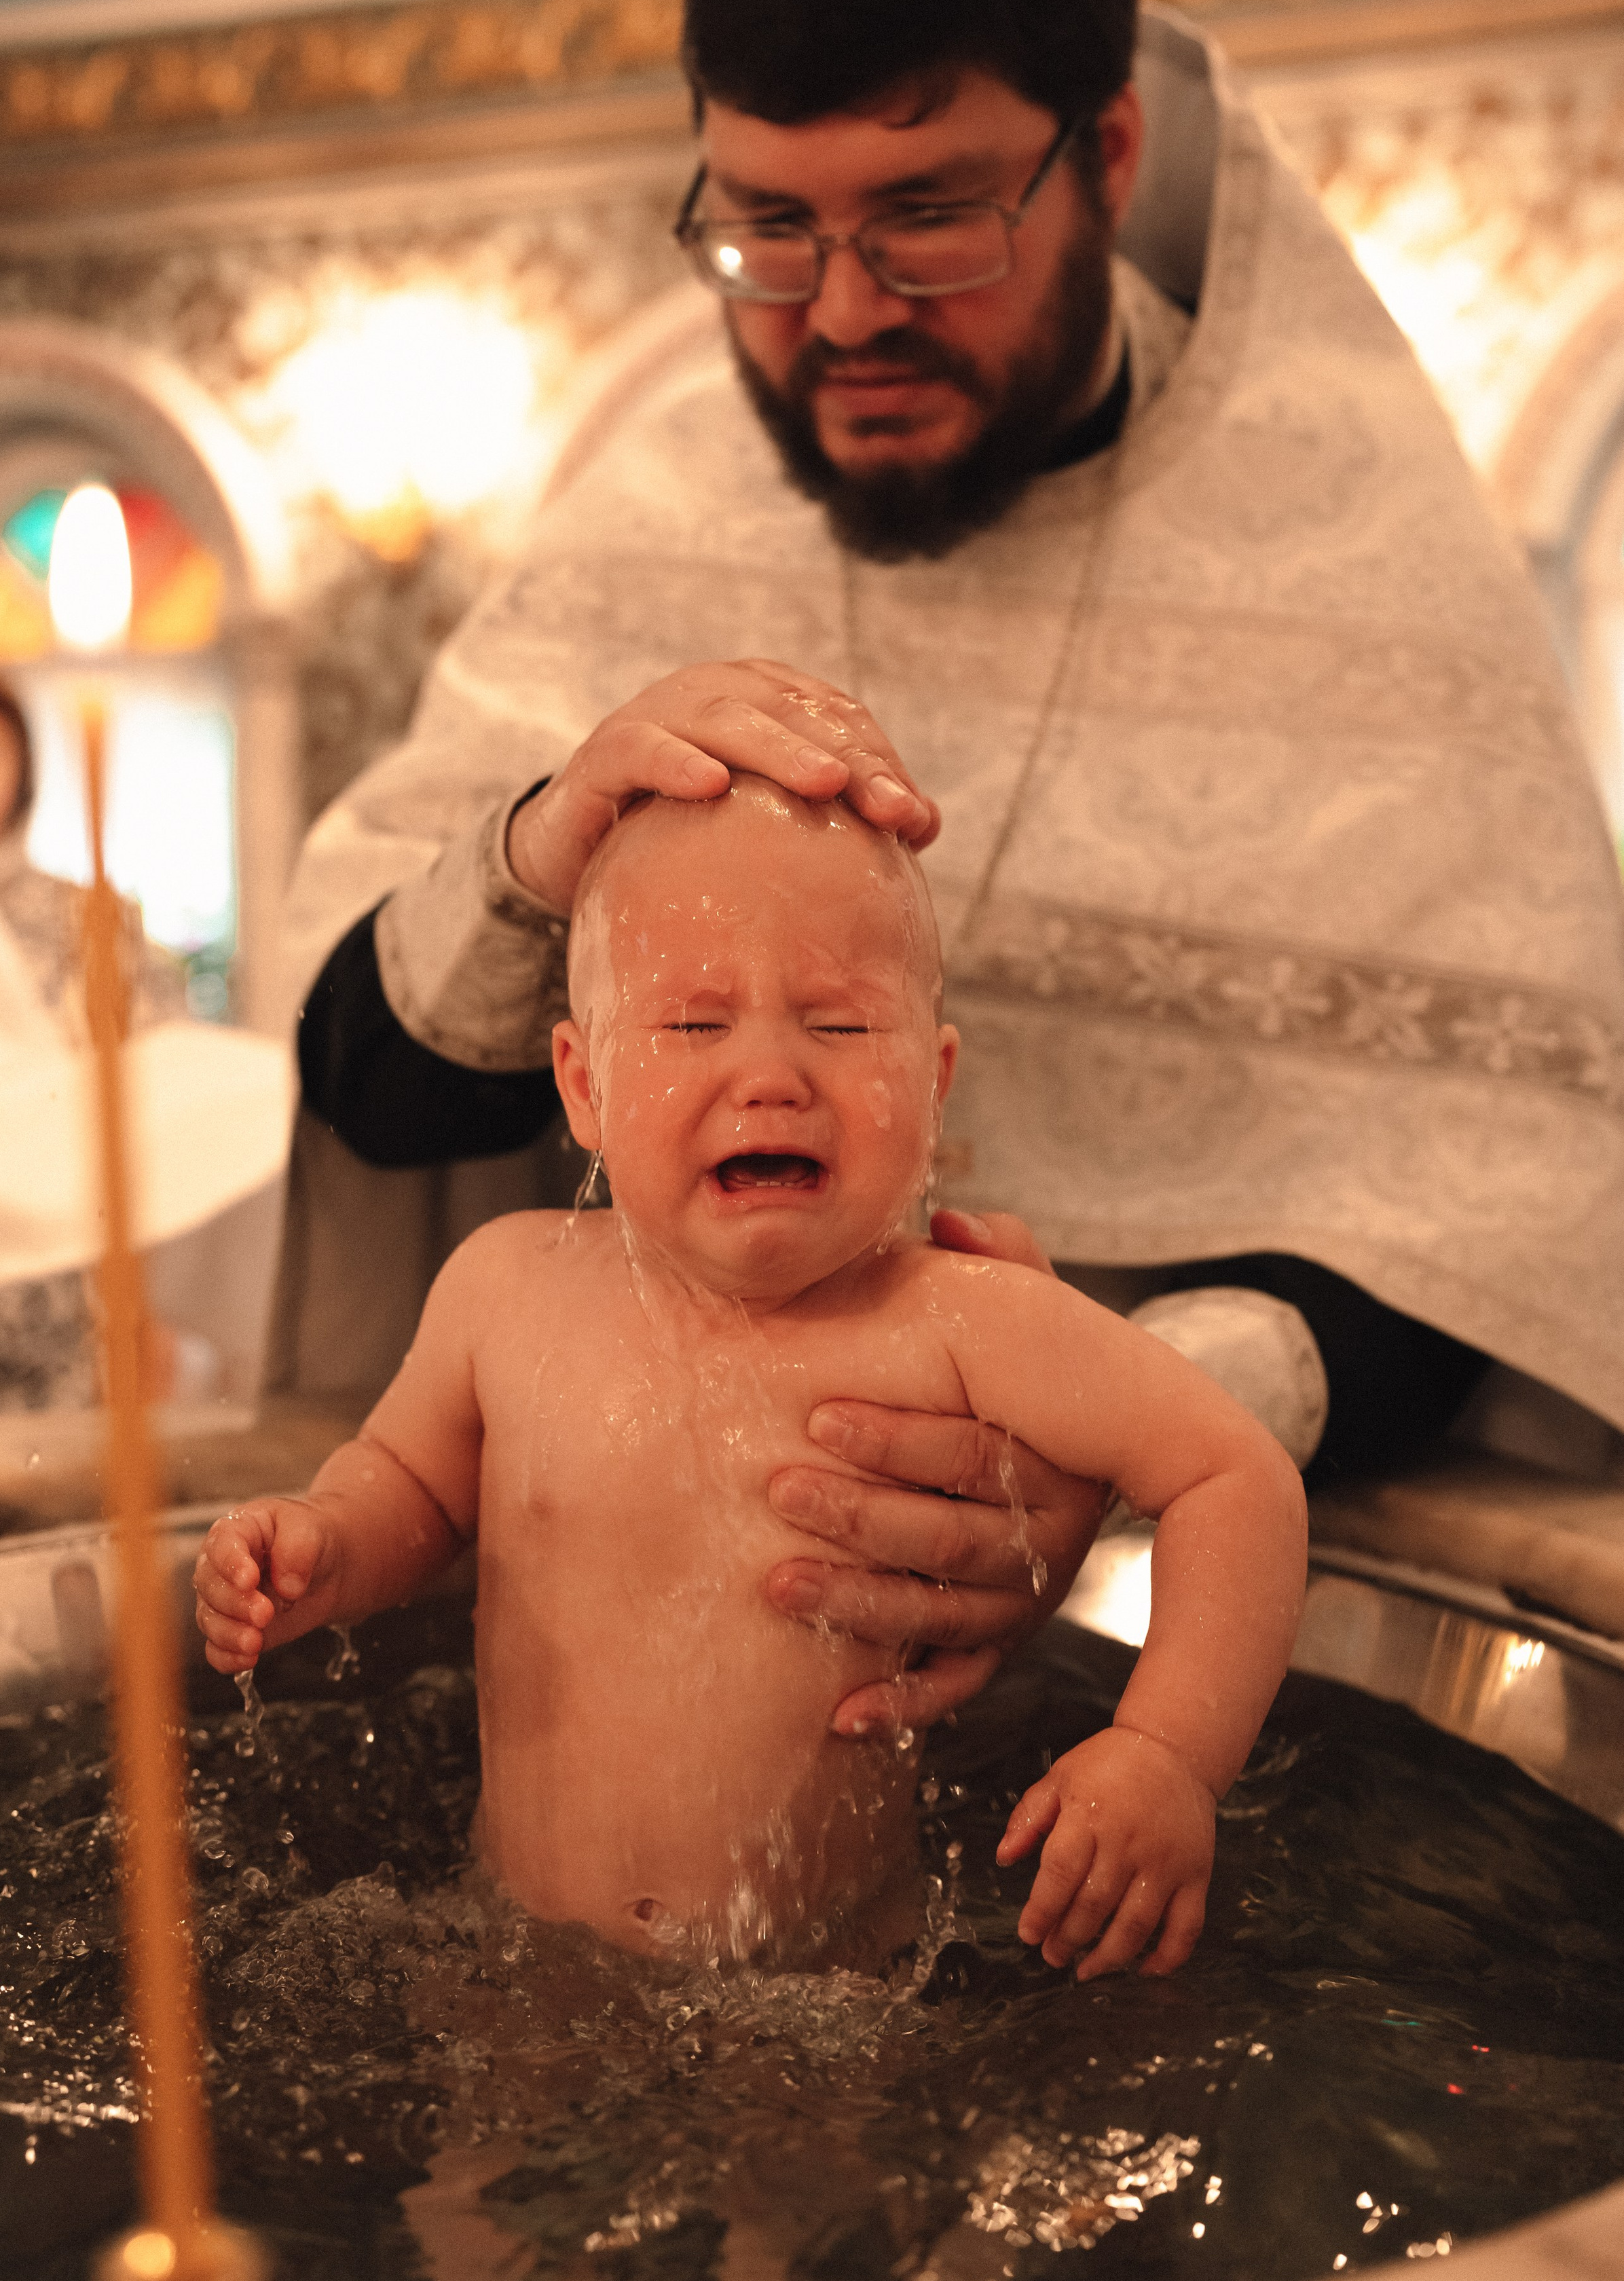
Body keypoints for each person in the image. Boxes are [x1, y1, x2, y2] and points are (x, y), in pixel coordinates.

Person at [277, 0, 1624, 1716]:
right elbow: (371, 1090)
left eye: (928, 223)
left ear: (1107, 151)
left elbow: (1488, 1223)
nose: (839, 316)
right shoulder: (657, 515)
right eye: (767, 230)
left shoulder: (1361, 546)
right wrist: (534, 849)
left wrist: (1115, 1417)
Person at [200, 783, 1306, 1970]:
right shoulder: (506, 1288)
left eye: (838, 1026)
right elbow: (412, 1489)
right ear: (585, 1086)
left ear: (932, 1085)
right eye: (692, 1026)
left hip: (829, 1987)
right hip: (522, 1961)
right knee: (480, 2161)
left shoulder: (968, 1323)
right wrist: (322, 1546)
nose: (773, 1074)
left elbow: (1234, 1474)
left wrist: (1167, 1756)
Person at [0, 642, 185, 1412]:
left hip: (57, 1297)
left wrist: (155, 1310)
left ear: (22, 765)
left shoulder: (89, 921)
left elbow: (152, 1120)